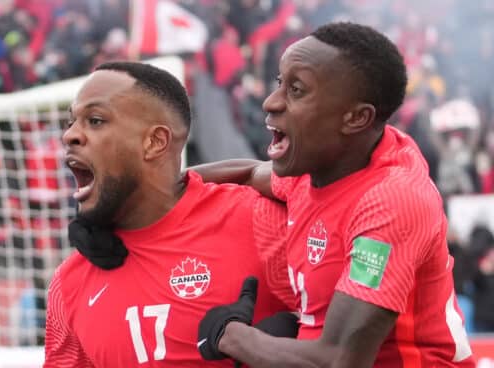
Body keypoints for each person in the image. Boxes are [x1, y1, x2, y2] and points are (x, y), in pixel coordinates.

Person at [195, 22, 475, 367]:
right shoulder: (317, 167)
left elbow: (339, 361)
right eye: (280, 83)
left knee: (268, 337)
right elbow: (251, 172)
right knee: (278, 331)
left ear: (356, 118)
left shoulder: (392, 199)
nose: (271, 102)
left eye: (296, 90)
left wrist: (233, 335)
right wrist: (163, 188)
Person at [43, 61, 296, 367]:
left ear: (155, 142)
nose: (70, 135)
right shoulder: (69, 283)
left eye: (95, 120)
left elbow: (352, 343)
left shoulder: (258, 221)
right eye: (71, 122)